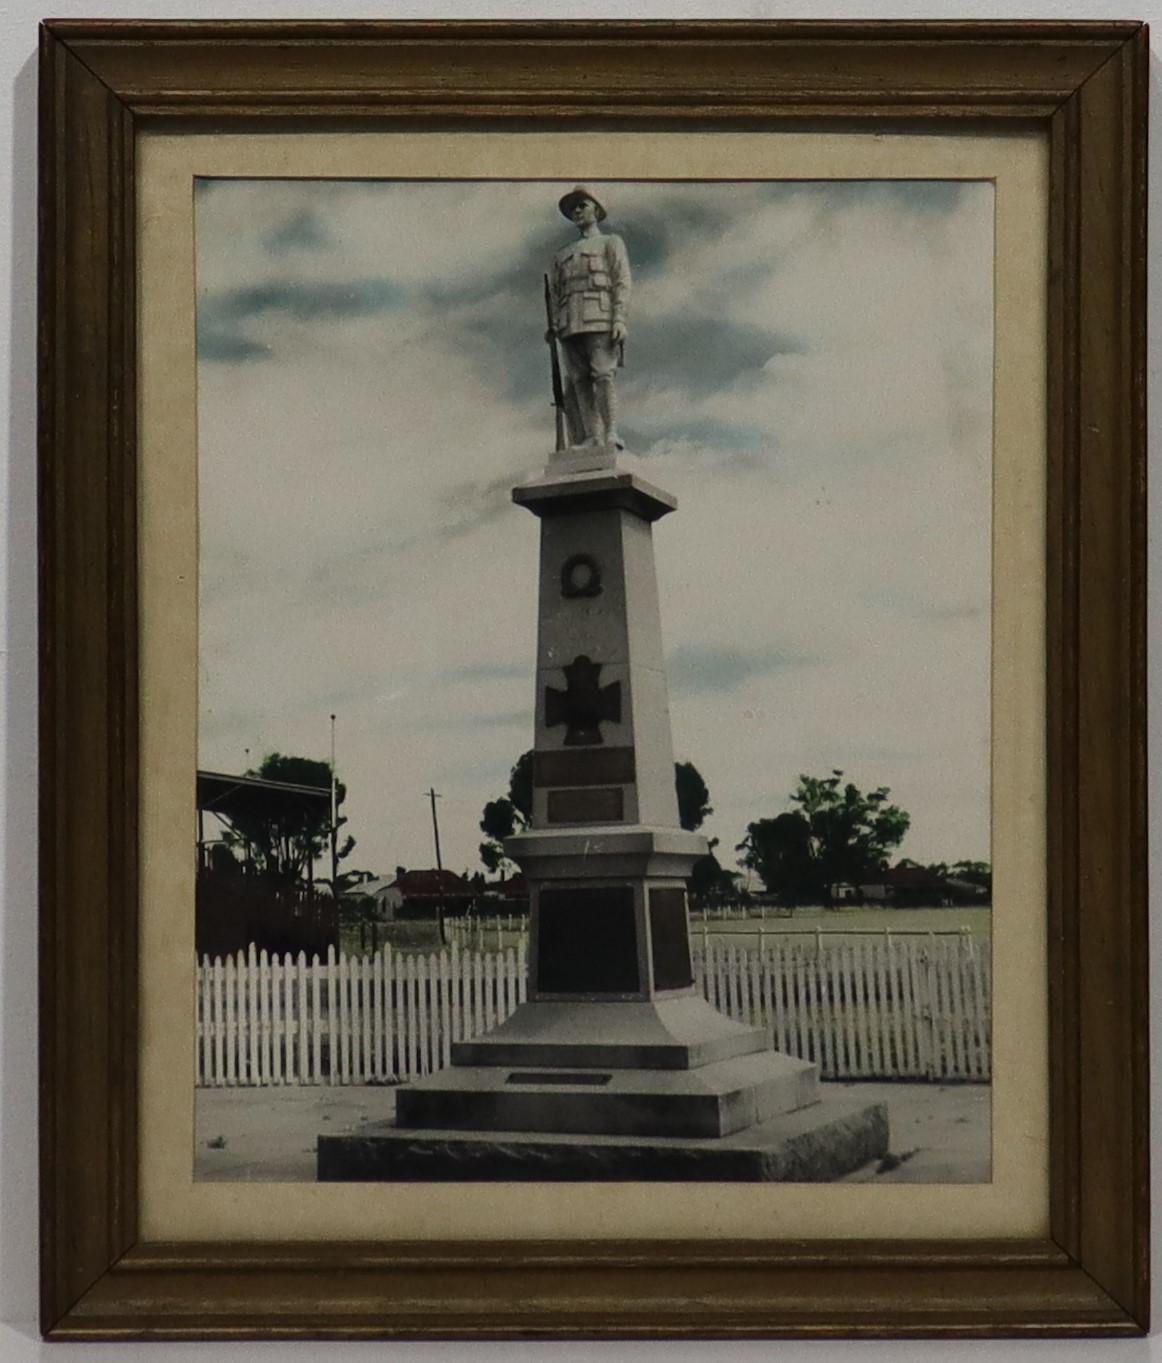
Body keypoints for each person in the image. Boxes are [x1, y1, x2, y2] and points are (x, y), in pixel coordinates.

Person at [546, 186, 631, 449]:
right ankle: (593, 436)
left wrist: (619, 319)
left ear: (597, 209)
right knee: (579, 380)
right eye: (573, 209)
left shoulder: (610, 243)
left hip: (600, 317)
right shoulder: (562, 254)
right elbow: (557, 292)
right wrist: (554, 326)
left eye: (582, 205)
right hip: (570, 324)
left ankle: (611, 432)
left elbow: (621, 281)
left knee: (603, 375)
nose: (577, 211)